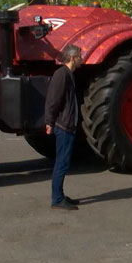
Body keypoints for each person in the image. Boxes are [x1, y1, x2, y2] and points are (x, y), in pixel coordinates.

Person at [44, 44, 83, 211]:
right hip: (63, 126)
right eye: (80, 56)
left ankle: (59, 195)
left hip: (67, 125)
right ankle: (57, 199)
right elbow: (53, 100)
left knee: (63, 162)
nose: (82, 59)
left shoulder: (68, 75)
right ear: (72, 58)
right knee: (62, 163)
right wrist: (49, 122)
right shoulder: (62, 75)